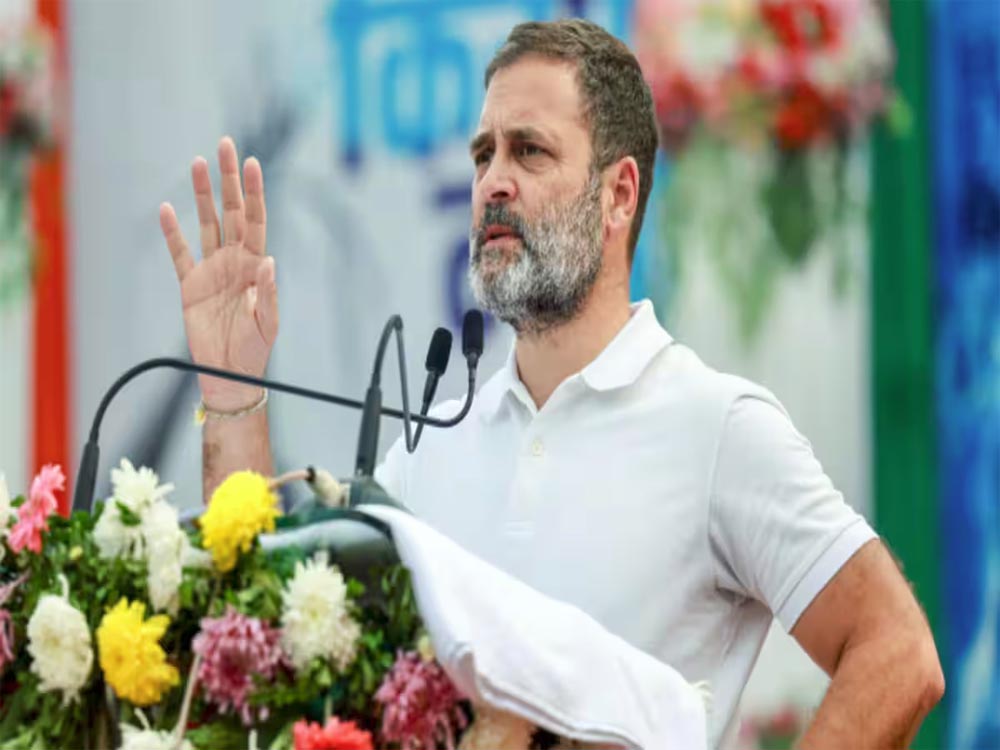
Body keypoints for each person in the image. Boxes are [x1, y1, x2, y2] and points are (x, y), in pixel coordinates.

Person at [159, 19, 943, 749]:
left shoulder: (718, 428)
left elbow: (898, 653)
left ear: (619, 195)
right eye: (483, 156)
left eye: (529, 151)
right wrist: (231, 387)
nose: (493, 182)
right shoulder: (431, 447)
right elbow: (263, 642)